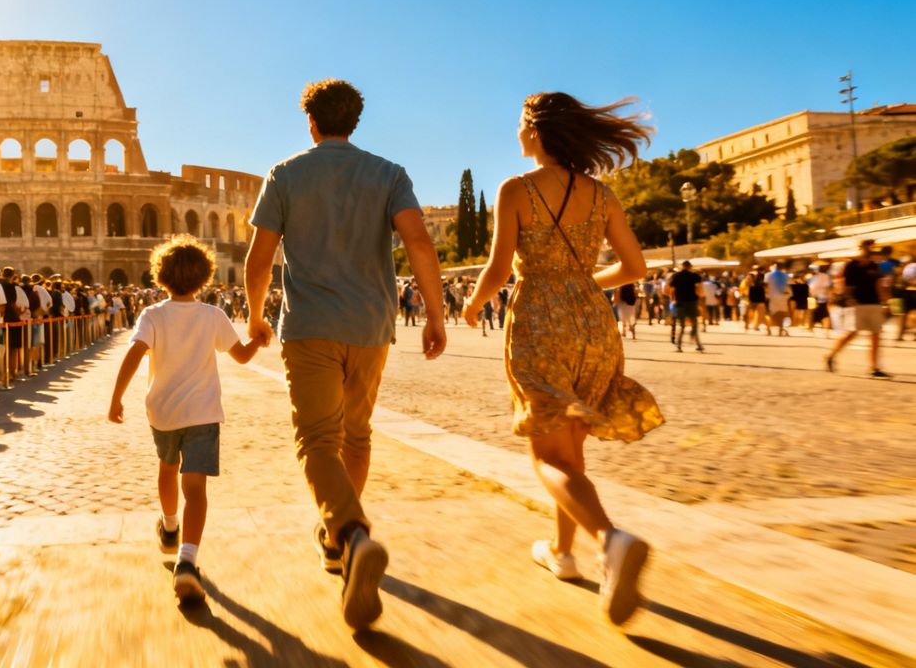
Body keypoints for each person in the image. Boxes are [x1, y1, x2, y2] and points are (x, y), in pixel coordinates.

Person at [245, 78, 446, 630]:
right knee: (355, 435)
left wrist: (257, 315)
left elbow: (259, 259)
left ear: (310, 122)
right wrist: (434, 313)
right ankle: (339, 540)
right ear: (354, 121)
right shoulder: (389, 174)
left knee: (317, 440)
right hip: (371, 326)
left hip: (310, 326)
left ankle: (352, 533)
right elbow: (420, 243)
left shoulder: (286, 174)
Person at [462, 92, 663, 626]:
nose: (518, 136)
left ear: (535, 131)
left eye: (520, 126)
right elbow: (635, 266)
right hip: (594, 325)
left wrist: (473, 304)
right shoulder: (602, 194)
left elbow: (500, 268)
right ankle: (563, 553)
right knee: (570, 448)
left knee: (548, 456)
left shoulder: (517, 188)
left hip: (539, 325)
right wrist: (581, 285)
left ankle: (610, 540)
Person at [108, 236, 261, 605]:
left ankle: (170, 526)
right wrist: (258, 339)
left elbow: (134, 354)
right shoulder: (213, 315)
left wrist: (116, 398)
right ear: (205, 277)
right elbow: (240, 356)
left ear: (160, 276)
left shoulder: (153, 315)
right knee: (196, 488)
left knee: (166, 468)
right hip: (204, 412)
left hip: (163, 411)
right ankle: (187, 561)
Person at [825, 240, 890, 378]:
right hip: (857, 304)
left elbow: (878, 284)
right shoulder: (851, 265)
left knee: (876, 335)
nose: (870, 249)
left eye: (872, 246)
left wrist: (885, 301)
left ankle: (874, 367)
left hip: (874, 303)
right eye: (868, 246)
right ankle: (831, 355)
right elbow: (845, 285)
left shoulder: (874, 265)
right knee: (852, 333)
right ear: (861, 248)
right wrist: (850, 300)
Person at [668, 260, 704, 352]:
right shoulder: (694, 276)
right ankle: (699, 345)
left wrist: (672, 299)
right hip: (692, 301)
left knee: (682, 326)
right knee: (694, 324)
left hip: (680, 302)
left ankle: (679, 345)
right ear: (690, 266)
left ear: (682, 266)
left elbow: (671, 288)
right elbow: (699, 287)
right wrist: (700, 298)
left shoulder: (676, 276)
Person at [765, 262, 791, 336]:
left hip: (772, 296)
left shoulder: (768, 275)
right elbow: (788, 286)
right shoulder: (786, 276)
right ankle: (780, 329)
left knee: (771, 313)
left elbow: (766, 286)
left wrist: (767, 295)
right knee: (782, 314)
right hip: (783, 297)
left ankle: (768, 329)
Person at [807, 262, 833, 334]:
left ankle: (811, 327)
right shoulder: (828, 277)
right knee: (825, 314)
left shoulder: (814, 277)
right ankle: (826, 329)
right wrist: (830, 297)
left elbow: (811, 287)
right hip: (823, 297)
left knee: (813, 312)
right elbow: (829, 288)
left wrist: (811, 295)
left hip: (814, 297)